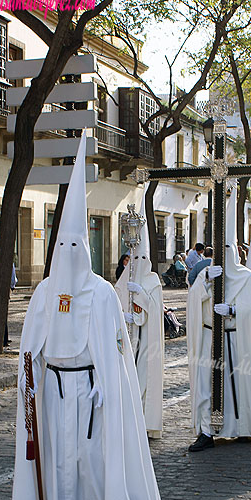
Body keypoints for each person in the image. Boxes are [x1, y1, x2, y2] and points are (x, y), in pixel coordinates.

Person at [12, 133, 164, 500]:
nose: (68, 249)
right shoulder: (45, 292)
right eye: (62, 243)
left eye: (75, 243)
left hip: (92, 386)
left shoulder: (100, 293)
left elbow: (117, 346)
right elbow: (31, 343)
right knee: (61, 455)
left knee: (93, 452)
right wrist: (30, 377)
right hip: (56, 388)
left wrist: (108, 383)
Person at [187, 185, 251, 452]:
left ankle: (242, 428)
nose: (226, 255)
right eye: (222, 248)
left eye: (230, 248)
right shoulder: (206, 275)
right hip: (211, 337)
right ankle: (207, 431)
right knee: (208, 386)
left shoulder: (246, 279)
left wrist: (234, 312)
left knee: (239, 385)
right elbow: (193, 300)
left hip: (236, 338)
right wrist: (206, 282)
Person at [115, 187, 165, 440]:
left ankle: (143, 420)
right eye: (137, 256)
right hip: (127, 341)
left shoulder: (153, 281)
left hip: (146, 344)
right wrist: (124, 316)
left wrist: (142, 300)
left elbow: (155, 311)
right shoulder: (124, 279)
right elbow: (115, 301)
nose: (141, 260)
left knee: (144, 379)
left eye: (145, 256)